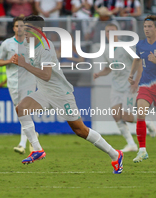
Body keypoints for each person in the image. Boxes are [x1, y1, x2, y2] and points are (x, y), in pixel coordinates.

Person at [11, 15, 123, 174]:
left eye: (28, 29)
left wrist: (23, 64)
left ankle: (115, 154)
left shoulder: (46, 48)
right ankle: (37, 150)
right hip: (44, 92)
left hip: (60, 94)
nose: (24, 32)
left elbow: (46, 75)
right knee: (21, 108)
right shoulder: (31, 45)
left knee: (81, 131)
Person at [94, 23, 156, 153]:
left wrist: (137, 80)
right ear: (105, 34)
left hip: (129, 86)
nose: (109, 34)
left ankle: (148, 123)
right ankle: (131, 144)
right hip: (116, 87)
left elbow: (138, 61)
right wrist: (99, 74)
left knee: (127, 117)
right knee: (116, 115)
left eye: (112, 31)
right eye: (107, 32)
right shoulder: (105, 50)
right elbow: (108, 68)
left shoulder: (125, 47)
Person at [128, 15, 156, 163]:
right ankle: (142, 150)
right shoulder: (141, 45)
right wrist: (131, 74)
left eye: (150, 26)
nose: (146, 29)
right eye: (145, 27)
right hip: (145, 86)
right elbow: (137, 59)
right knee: (140, 114)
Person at [0, 16, 36, 154]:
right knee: (21, 111)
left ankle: (22, 144)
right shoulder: (7, 44)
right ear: (14, 28)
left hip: (29, 81)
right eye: (17, 26)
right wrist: (10, 61)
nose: (20, 28)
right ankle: (32, 135)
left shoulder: (31, 43)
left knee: (23, 110)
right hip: (13, 82)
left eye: (22, 26)